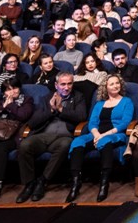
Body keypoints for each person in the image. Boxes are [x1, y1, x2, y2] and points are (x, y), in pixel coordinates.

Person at [14, 72, 88, 202]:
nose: (66, 87)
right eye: (63, 84)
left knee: (65, 145)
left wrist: (60, 109)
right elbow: (32, 122)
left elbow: (81, 117)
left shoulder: (78, 97)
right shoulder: (46, 98)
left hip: (63, 136)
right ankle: (29, 183)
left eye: (69, 84)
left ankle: (42, 181)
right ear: (56, 85)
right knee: (25, 145)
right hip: (43, 135)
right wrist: (51, 110)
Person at [66, 74, 134, 202]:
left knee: (105, 141)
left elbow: (125, 123)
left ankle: (104, 184)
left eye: (117, 83)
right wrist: (96, 134)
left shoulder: (126, 101)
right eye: (112, 84)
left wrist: (103, 135)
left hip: (115, 134)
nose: (115, 86)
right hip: (96, 134)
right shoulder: (99, 104)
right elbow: (92, 122)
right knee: (77, 142)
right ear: (106, 88)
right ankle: (76, 183)